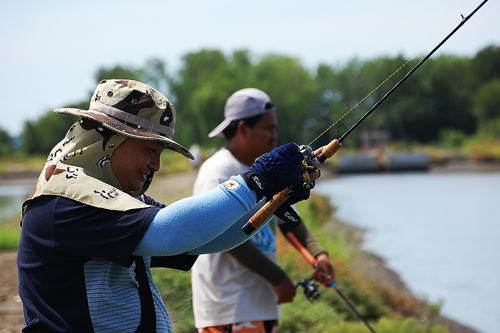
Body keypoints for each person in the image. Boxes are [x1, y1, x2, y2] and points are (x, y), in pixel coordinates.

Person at [16, 79, 319, 333]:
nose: (157, 165)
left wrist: (270, 198)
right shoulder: (66, 203)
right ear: (109, 139)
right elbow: (171, 233)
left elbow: (208, 238)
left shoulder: (117, 199)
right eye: (150, 148)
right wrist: (257, 181)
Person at [191, 88, 335, 333]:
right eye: (268, 128)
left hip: (258, 308)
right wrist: (277, 277)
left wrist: (319, 254)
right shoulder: (218, 170)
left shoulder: (264, 170)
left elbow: (288, 219)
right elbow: (222, 235)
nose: (275, 136)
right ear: (243, 128)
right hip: (230, 310)